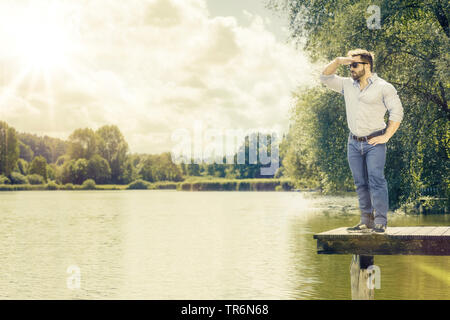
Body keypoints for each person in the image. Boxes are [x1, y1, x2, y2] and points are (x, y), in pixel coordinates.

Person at [320, 49, 403, 233]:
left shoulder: (384, 87)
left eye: (354, 65)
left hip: (375, 141)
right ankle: (366, 220)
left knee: (376, 179)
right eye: (349, 65)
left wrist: (386, 136)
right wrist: (338, 61)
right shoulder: (347, 85)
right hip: (353, 142)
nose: (351, 68)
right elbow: (324, 77)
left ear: (367, 65)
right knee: (360, 182)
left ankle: (380, 221)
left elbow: (397, 112)